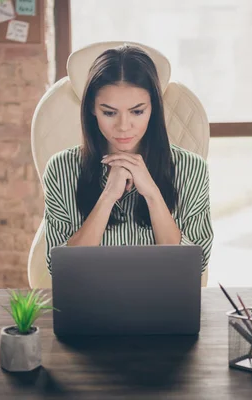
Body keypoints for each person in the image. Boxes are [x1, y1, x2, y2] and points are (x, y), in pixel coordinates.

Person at [42, 44, 213, 274]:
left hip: (163, 306)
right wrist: (108, 197)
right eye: (109, 112)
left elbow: (193, 267)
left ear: (153, 108)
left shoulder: (192, 169)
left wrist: (152, 194)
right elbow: (62, 270)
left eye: (137, 111)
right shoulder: (61, 168)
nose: (123, 126)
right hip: (88, 306)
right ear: (92, 108)